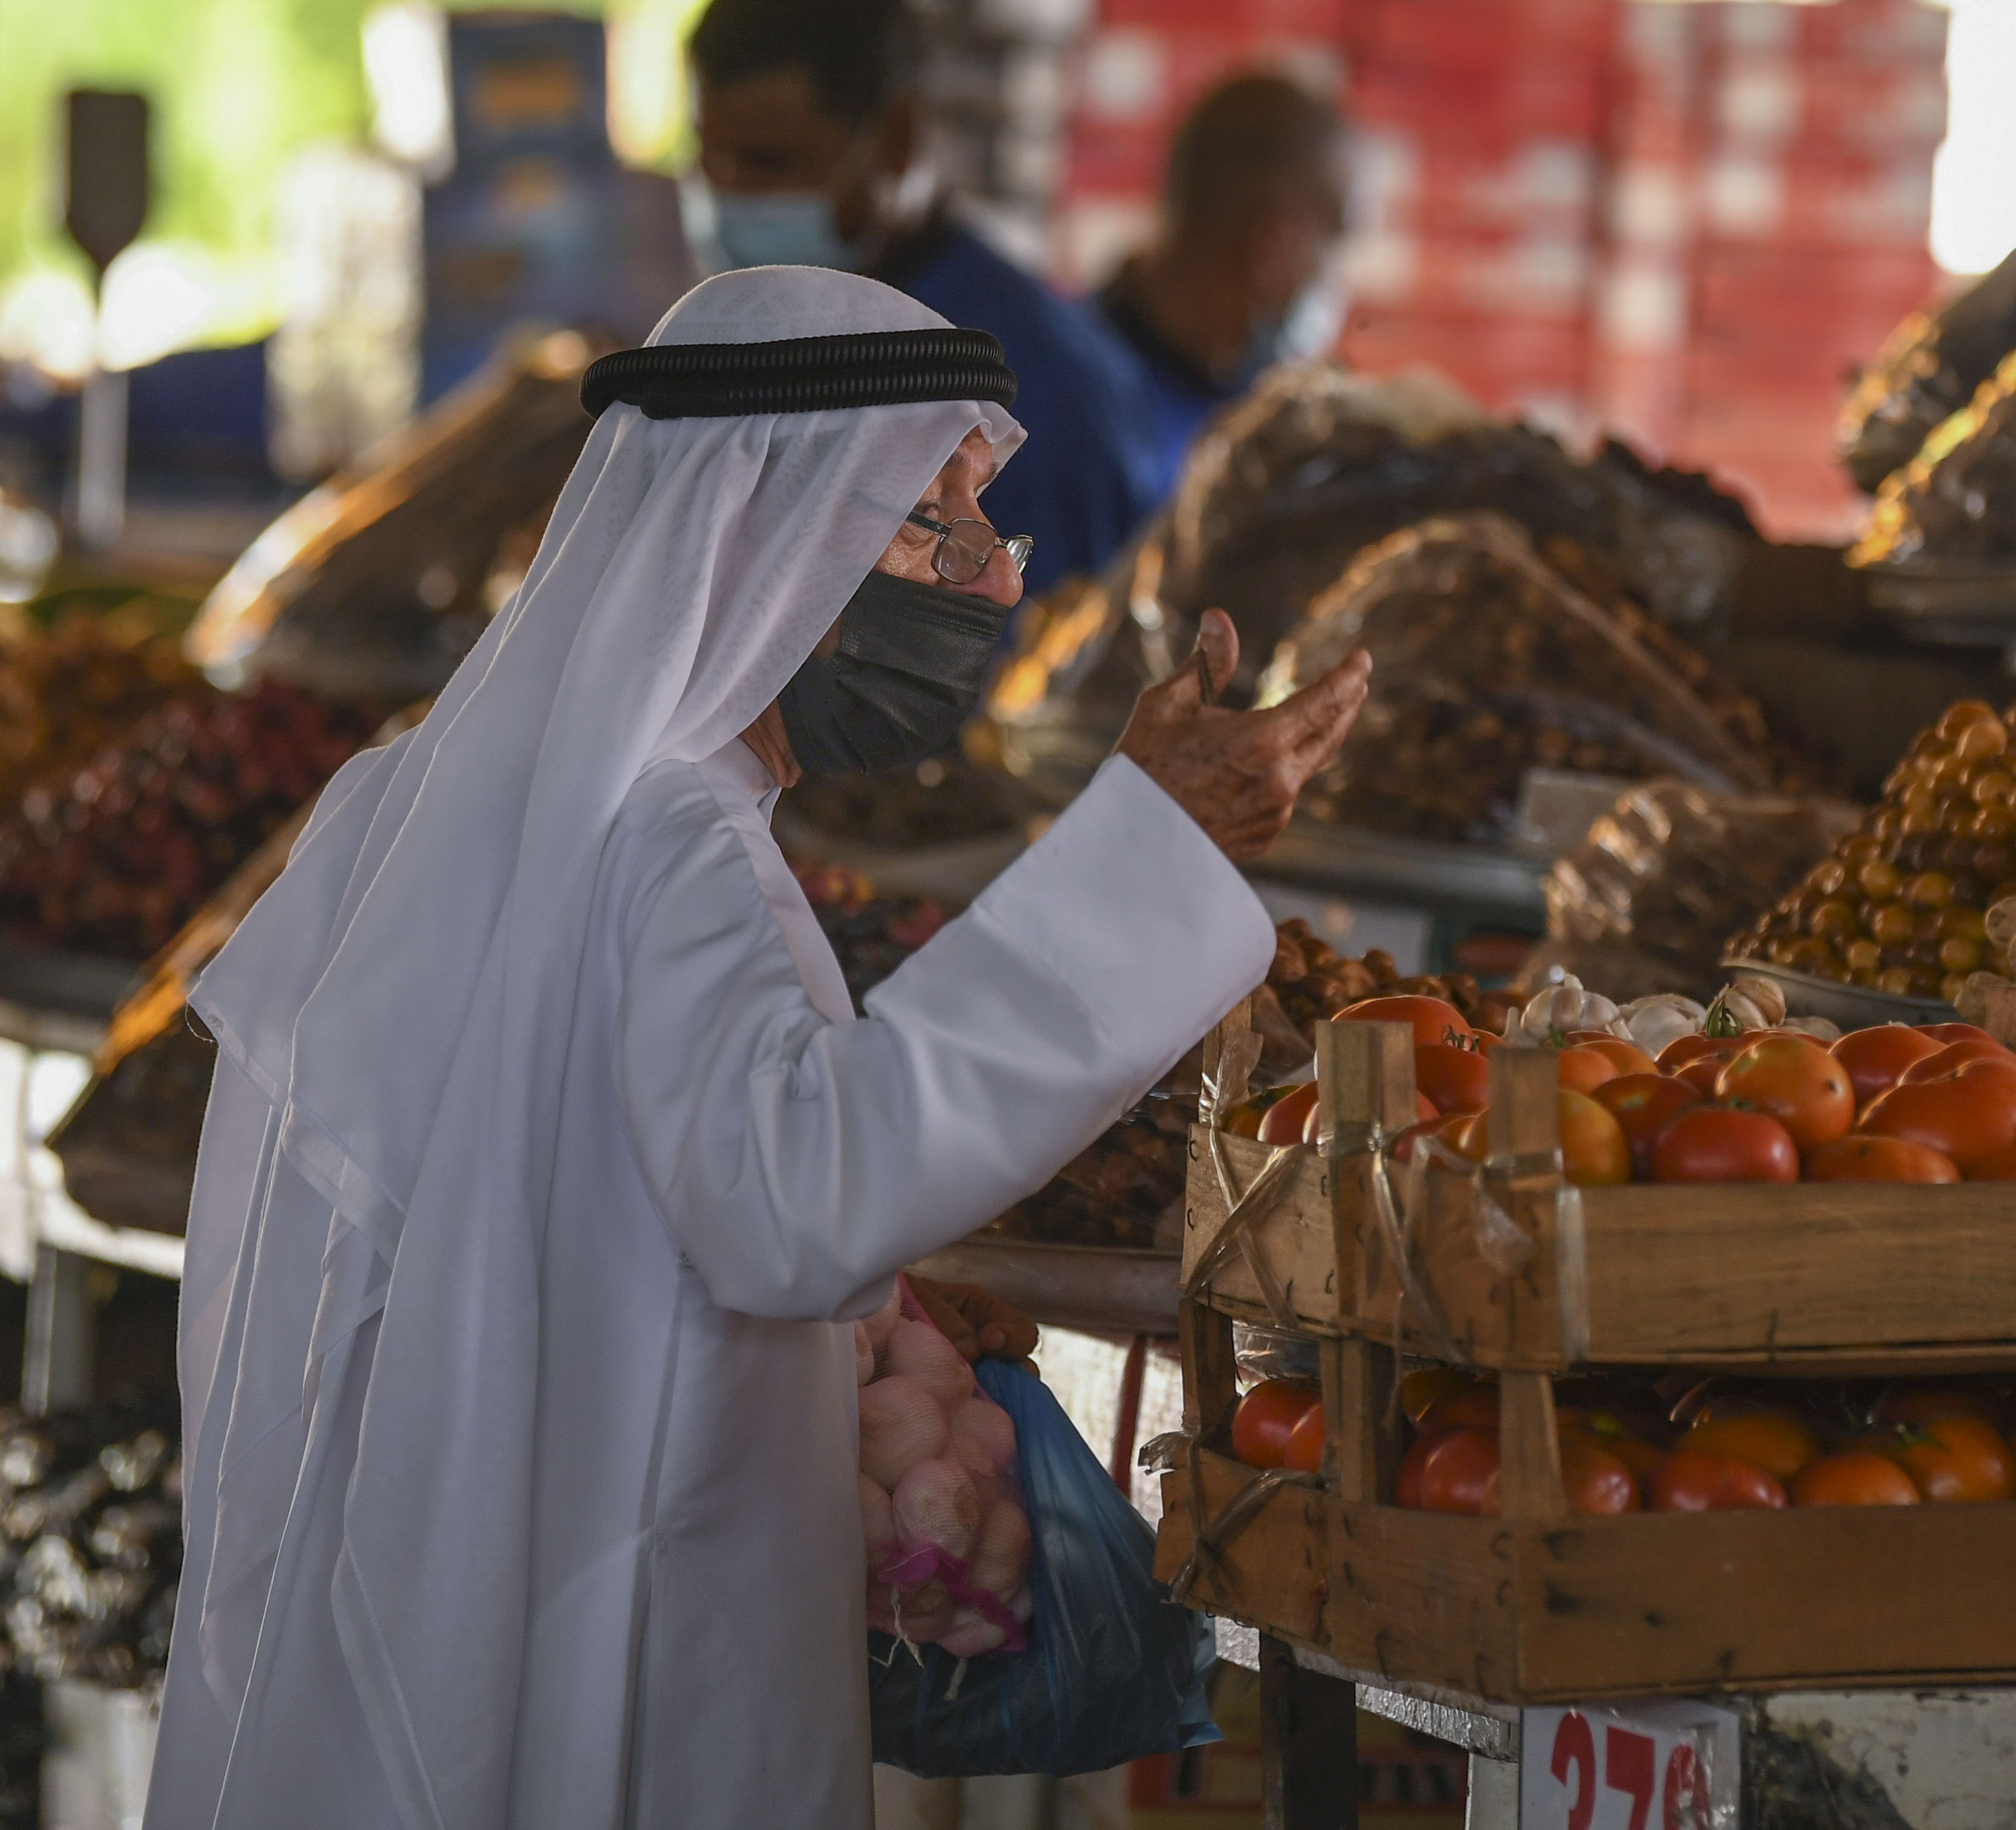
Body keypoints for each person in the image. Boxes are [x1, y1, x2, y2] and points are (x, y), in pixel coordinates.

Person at [143, 265, 1370, 1830]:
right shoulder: (672, 839)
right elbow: (795, 1199)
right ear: (767, 538)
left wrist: (877, 1321)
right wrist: (1149, 852)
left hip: (443, 1572)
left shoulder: (431, 800)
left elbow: (562, 1185)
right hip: (607, 1614)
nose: (993, 584)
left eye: (984, 526)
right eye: (933, 521)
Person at [686, 0, 1160, 594]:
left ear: (897, 139)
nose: (724, 193)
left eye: (766, 162)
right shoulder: (781, 329)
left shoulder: (1034, 380)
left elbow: (1045, 637)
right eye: (705, 157)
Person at [1094, 71, 1353, 499]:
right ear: (1274, 244)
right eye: (1334, 241)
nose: (1335, 279)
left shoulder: (1255, 421)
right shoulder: (1093, 422)